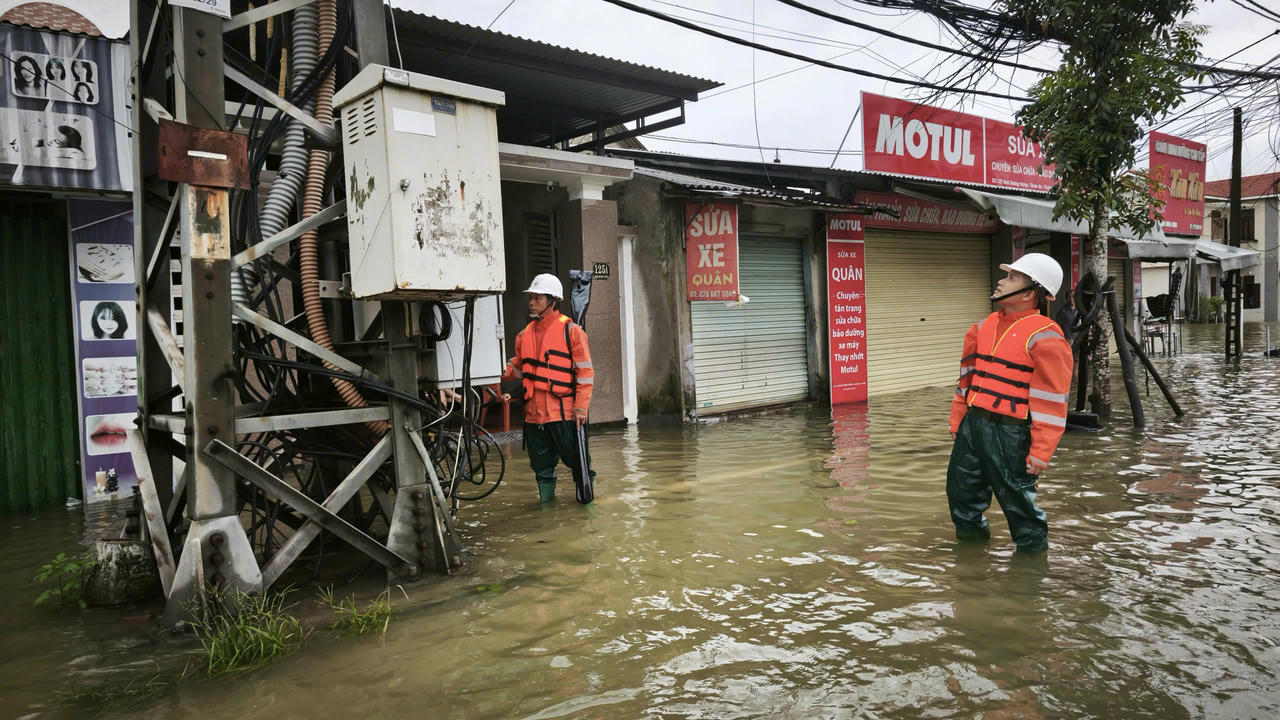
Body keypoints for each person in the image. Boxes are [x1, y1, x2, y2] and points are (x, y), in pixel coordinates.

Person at [947, 253, 1072, 552]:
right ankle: (971, 563)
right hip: (973, 425)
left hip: (1011, 432)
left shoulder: (1046, 337)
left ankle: (1031, 572)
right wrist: (958, 420)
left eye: (1012, 278)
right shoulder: (981, 327)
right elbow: (966, 379)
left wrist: (1041, 452)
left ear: (1029, 293)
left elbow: (1052, 401)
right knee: (961, 494)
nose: (1002, 281)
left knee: (1019, 506)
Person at [501, 273, 595, 504]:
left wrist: (581, 408)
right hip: (534, 416)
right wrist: (494, 370)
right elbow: (520, 368)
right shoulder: (524, 334)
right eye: (530, 298)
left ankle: (587, 512)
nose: (532, 302)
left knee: (580, 465)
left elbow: (585, 373)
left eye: (538, 298)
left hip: (563, 414)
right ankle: (547, 510)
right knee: (541, 469)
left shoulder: (572, 331)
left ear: (552, 301)